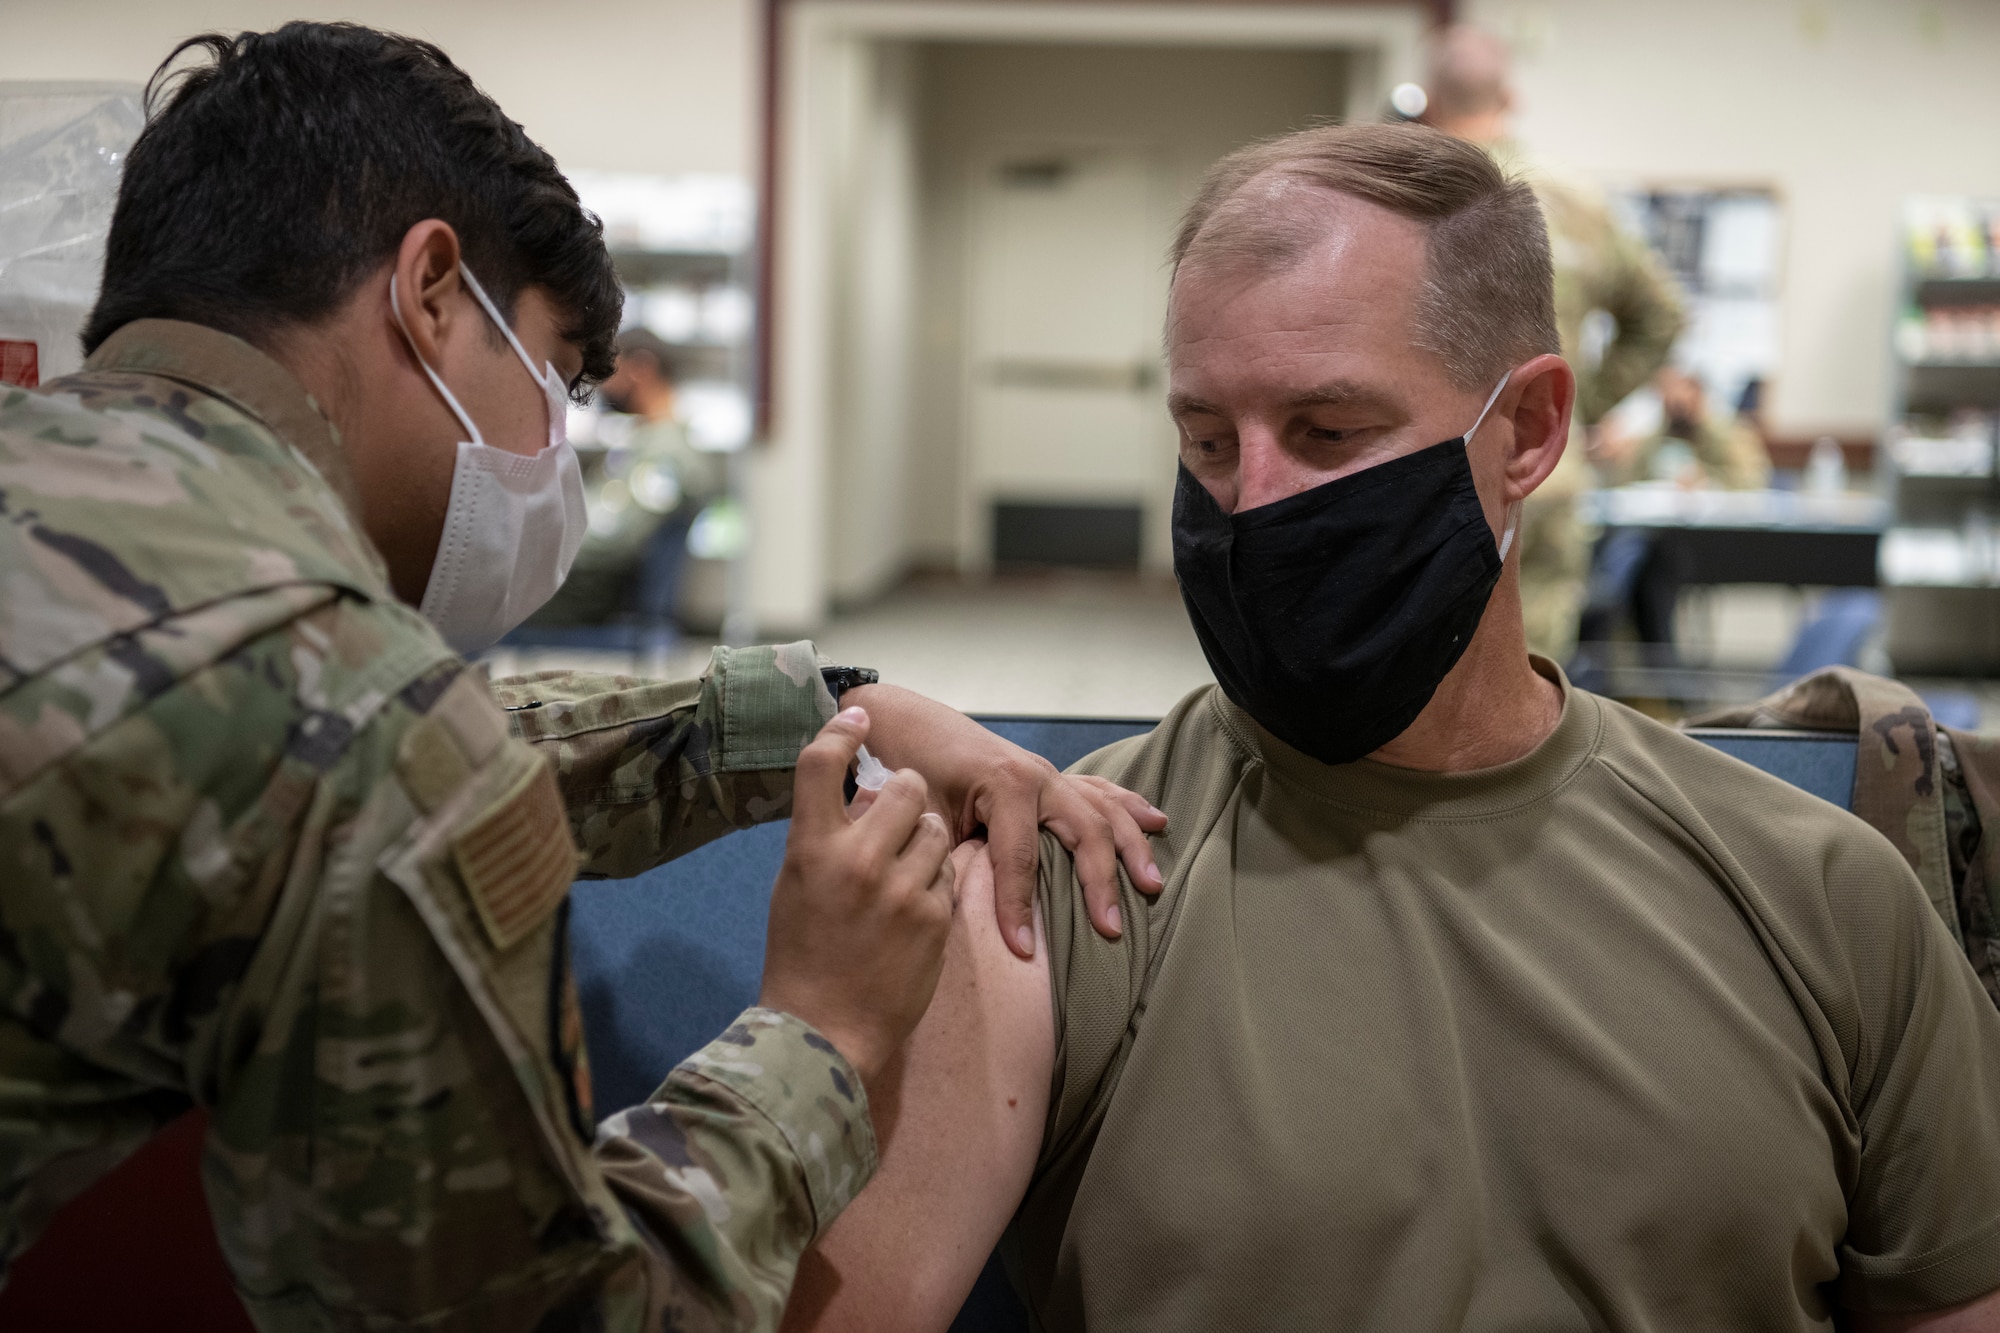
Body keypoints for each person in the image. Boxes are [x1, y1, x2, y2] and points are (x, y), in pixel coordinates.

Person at [0, 24, 1169, 1332]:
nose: (551, 456)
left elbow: (265, 748)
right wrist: (822, 1034)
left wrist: (818, 716)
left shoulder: (93, 532)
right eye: (554, 386)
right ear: (432, 290)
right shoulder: (353, 717)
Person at [780, 125, 2000, 1332]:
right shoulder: (1057, 877)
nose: (1249, 506)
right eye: (1205, 440)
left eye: (1327, 433)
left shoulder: (1822, 895)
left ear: (1523, 433)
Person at [1421, 24, 1685, 662]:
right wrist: (1576, 401)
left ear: (1430, 100)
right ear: (1509, 98)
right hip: (1548, 469)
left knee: (1423, 655)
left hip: (1430, 466)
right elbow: (1662, 315)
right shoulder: (1575, 200)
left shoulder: (1414, 197)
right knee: (1529, 665)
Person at [528, 327, 724, 644]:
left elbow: (615, 540)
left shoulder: (667, 455)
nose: (604, 383)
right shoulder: (648, 441)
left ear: (641, 369)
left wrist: (539, 541)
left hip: (580, 601)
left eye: (611, 370)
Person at [1596, 365, 1773, 491]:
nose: (1677, 407)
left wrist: (1708, 481)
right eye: (1669, 400)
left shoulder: (1730, 435)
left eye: (1682, 403)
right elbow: (1626, 481)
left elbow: (1753, 481)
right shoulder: (1659, 437)